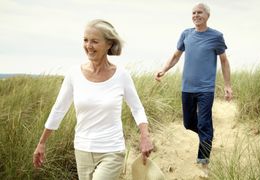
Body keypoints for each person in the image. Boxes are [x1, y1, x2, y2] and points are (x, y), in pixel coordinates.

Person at [33, 19, 153, 180]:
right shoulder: (73, 74)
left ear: (109, 44)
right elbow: (59, 109)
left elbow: (137, 108)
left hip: (112, 150)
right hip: (82, 149)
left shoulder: (121, 75)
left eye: (95, 41)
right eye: (85, 40)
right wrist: (42, 142)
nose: (88, 46)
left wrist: (145, 136)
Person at [155, 3, 233, 177]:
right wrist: (164, 69)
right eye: (193, 13)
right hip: (187, 88)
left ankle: (203, 162)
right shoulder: (186, 34)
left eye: (199, 12)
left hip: (206, 88)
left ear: (207, 15)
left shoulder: (216, 36)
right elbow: (176, 56)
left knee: (204, 123)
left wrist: (228, 85)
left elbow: (224, 61)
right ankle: (208, 136)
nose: (196, 15)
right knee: (189, 123)